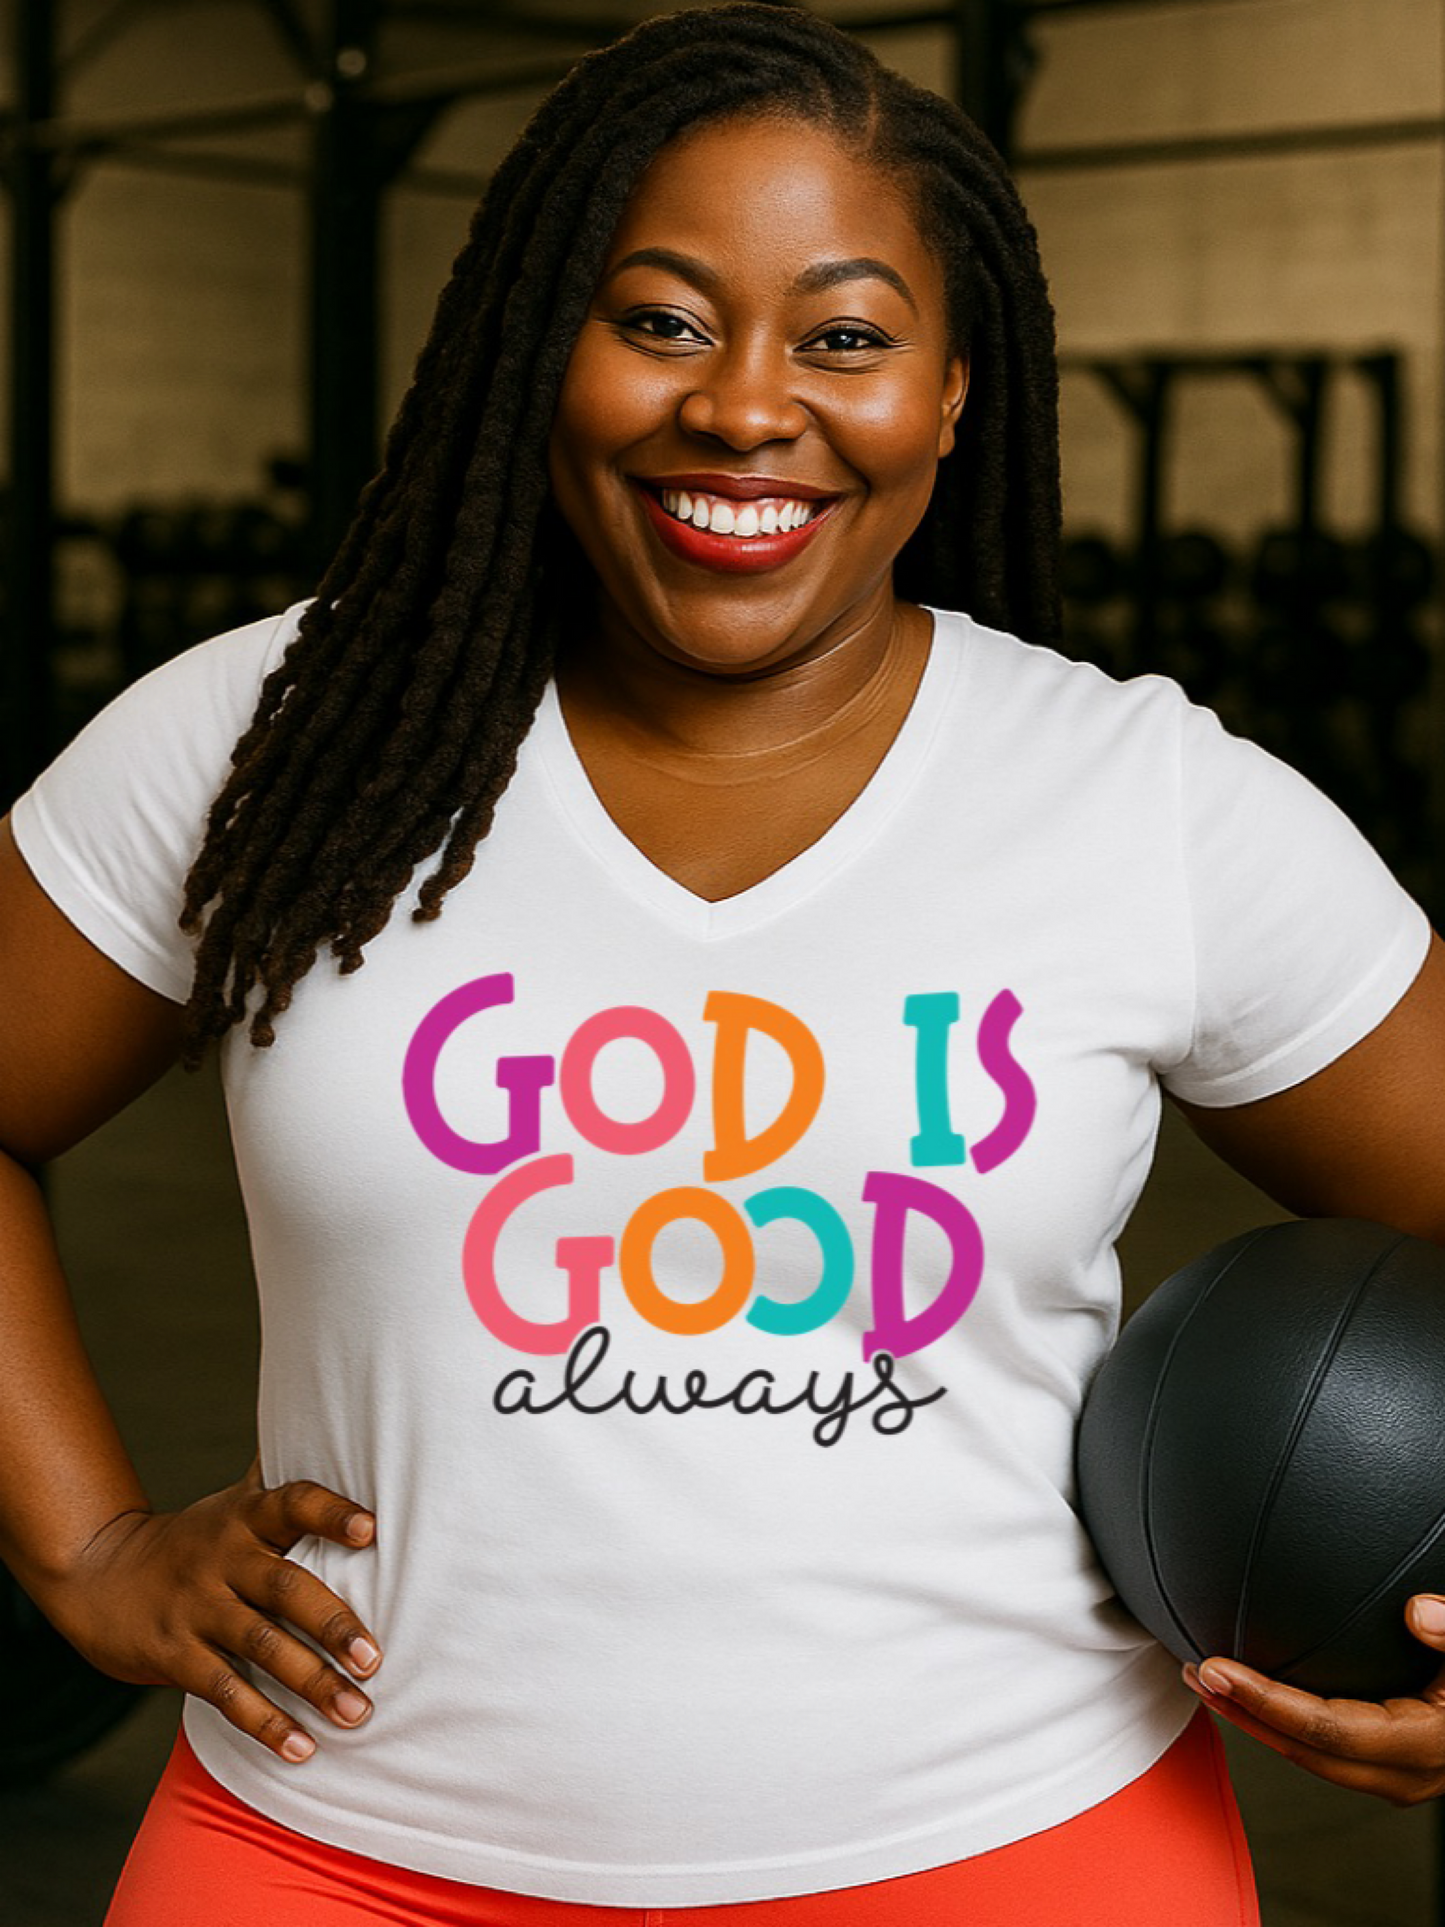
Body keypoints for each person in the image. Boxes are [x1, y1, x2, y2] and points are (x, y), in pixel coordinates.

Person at [2, 4, 1443, 1922]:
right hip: (335, 1855)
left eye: (844, 335)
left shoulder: (1144, 798)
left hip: (1015, 1852)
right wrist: (88, 1544)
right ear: (541, 353)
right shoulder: (272, 737)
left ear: (952, 391)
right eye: (662, 318)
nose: (745, 406)